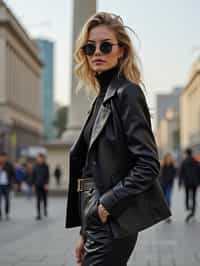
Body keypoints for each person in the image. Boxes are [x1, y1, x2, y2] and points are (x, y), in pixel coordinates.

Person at [65, 12, 171, 266]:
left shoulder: (127, 93)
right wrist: (85, 230)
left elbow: (147, 165)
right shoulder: (100, 101)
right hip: (97, 224)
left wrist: (106, 205)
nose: (97, 52)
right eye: (90, 47)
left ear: (121, 51)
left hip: (113, 222)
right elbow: (88, 175)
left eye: (105, 46)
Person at [179, 148, 200, 222]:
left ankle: (188, 207)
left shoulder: (184, 162)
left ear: (186, 153)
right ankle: (193, 211)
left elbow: (181, 173)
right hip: (195, 182)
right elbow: (199, 172)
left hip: (187, 182)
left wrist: (180, 183)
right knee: (194, 197)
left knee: (187, 195)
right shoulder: (196, 161)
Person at [159, 153, 176, 222]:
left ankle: (167, 215)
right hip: (163, 184)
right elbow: (159, 175)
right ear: (165, 159)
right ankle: (165, 215)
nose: (169, 159)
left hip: (169, 184)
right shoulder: (162, 166)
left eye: (170, 158)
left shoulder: (172, 166)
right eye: (168, 158)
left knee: (168, 198)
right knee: (165, 199)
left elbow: (174, 174)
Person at [32, 153, 49, 220]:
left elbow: (47, 176)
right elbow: (33, 176)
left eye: (41, 158)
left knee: (45, 199)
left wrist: (46, 184)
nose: (40, 160)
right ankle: (38, 214)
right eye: (38, 158)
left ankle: (45, 209)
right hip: (37, 185)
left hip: (44, 185)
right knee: (38, 200)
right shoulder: (35, 166)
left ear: (43, 159)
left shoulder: (46, 166)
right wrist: (33, 185)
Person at [0, 151, 16, 220]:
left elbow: (13, 174)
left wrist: (15, 183)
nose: (2, 158)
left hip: (6, 185)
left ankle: (6, 213)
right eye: (1, 157)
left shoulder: (9, 165)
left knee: (7, 200)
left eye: (4, 157)